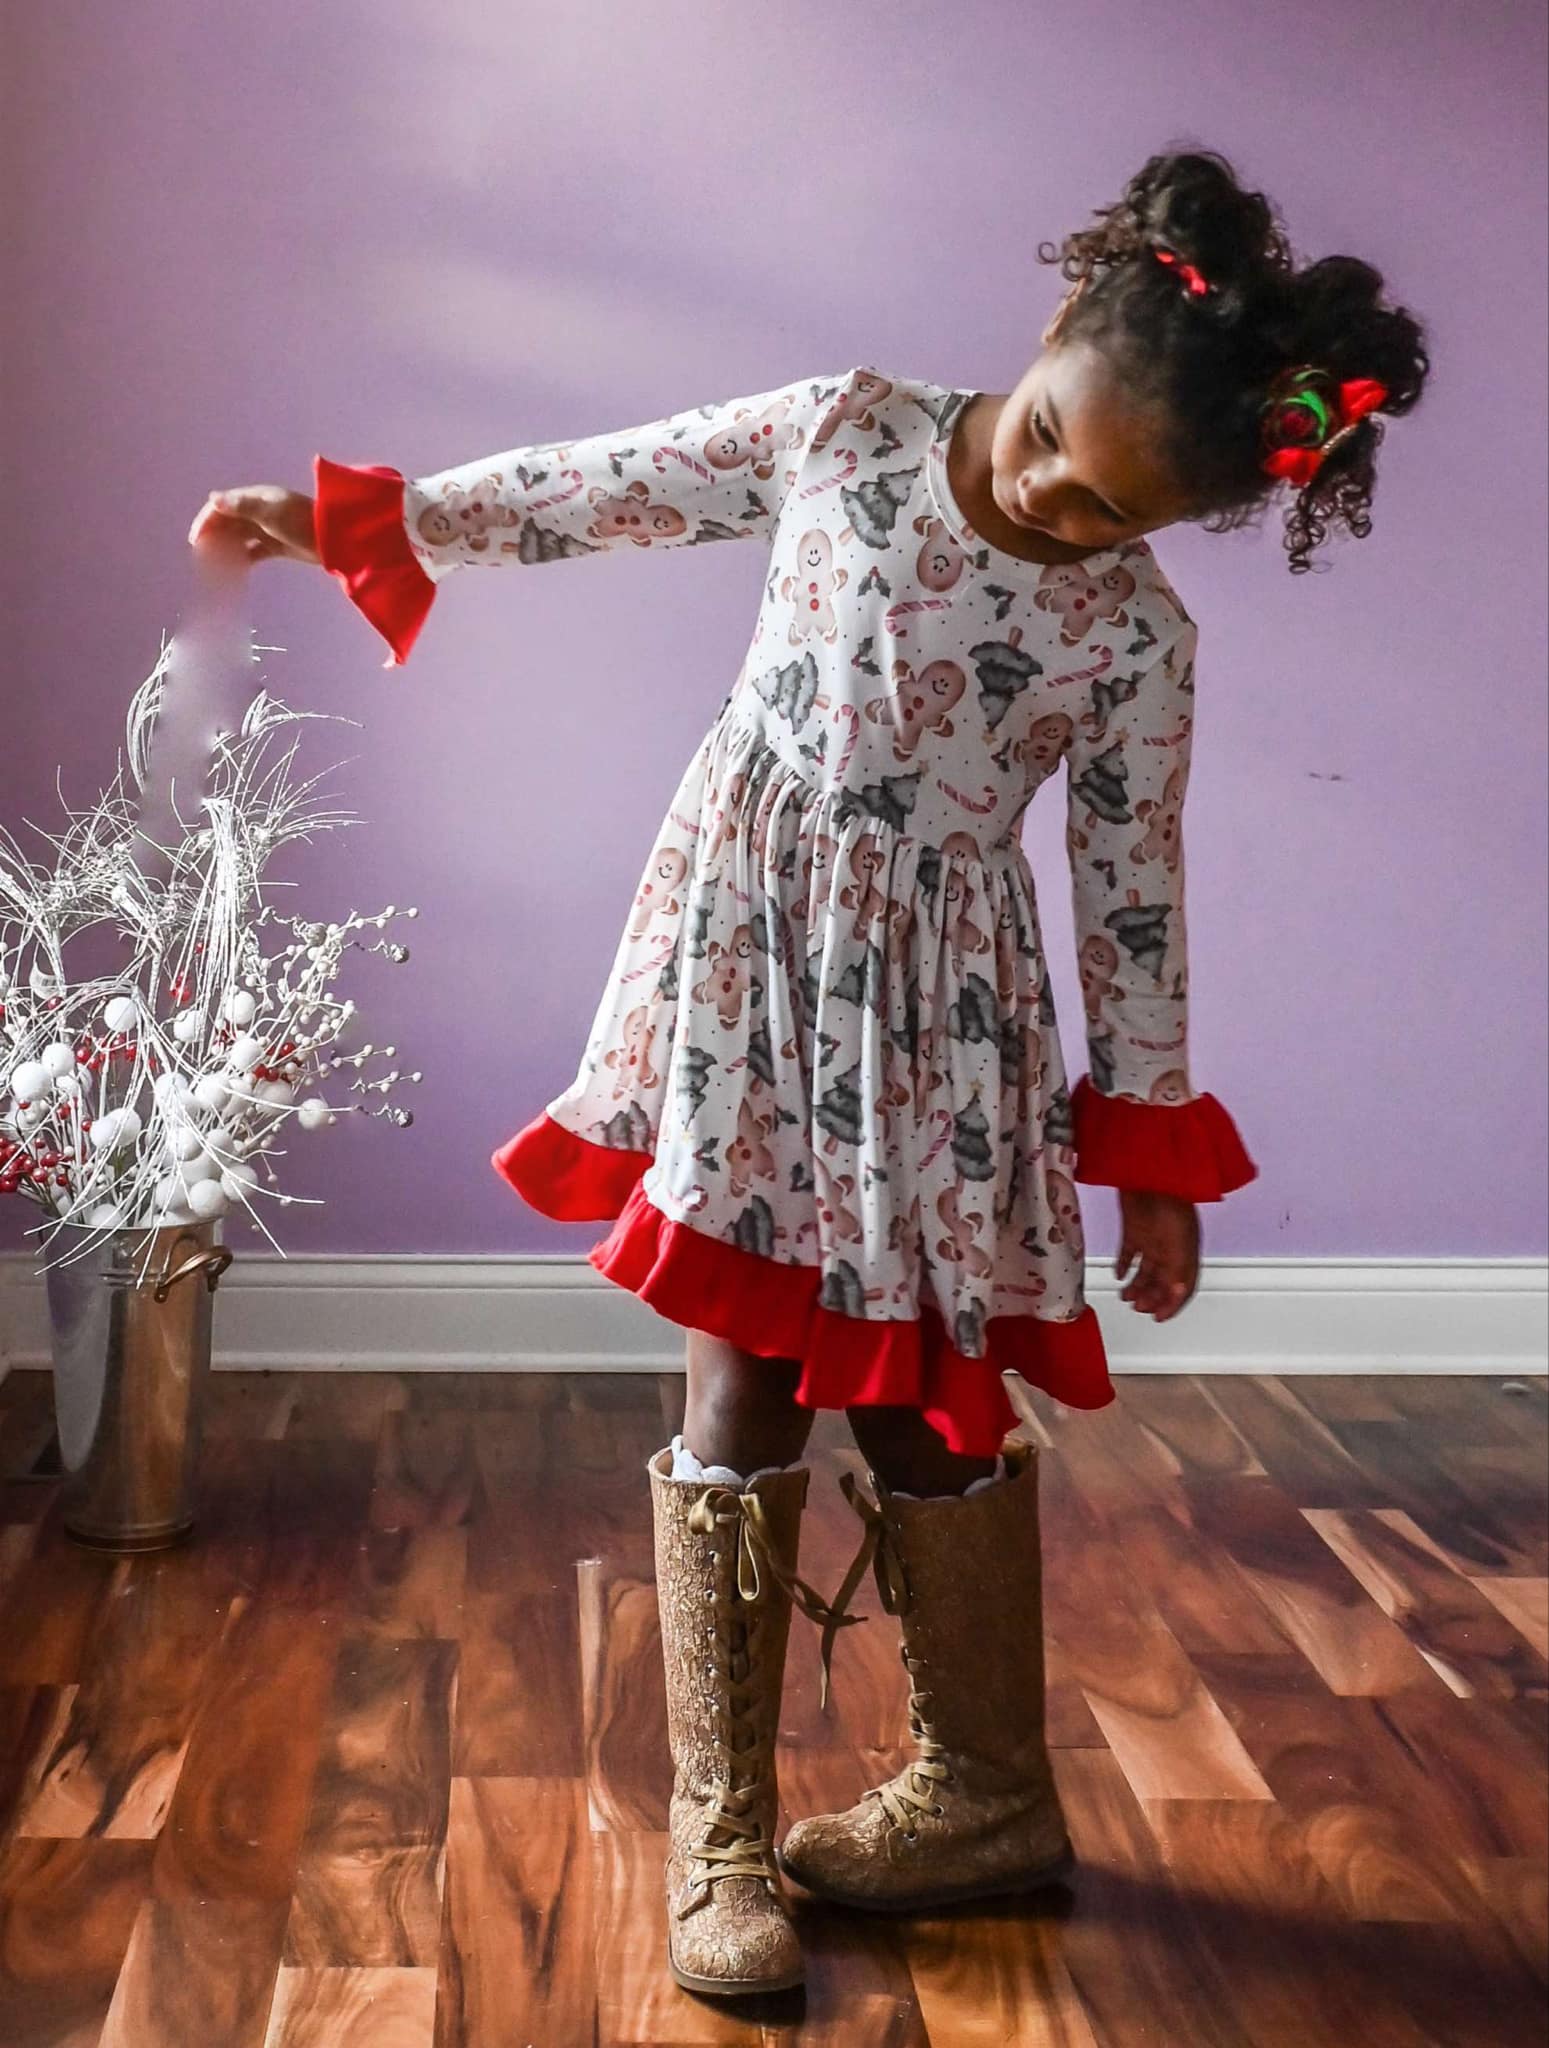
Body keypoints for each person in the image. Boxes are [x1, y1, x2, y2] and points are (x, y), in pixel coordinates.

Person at [189, 147, 1431, 2002]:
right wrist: (355, 518)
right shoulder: (847, 432)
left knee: (930, 1394)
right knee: (743, 1365)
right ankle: (725, 1835)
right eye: (1045, 448)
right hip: (752, 973)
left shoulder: (1138, 645)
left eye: (1104, 515)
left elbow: (1130, 901)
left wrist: (1149, 1152)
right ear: (1044, 340)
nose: (1051, 504)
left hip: (942, 1039)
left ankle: (984, 1792)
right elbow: (607, 488)